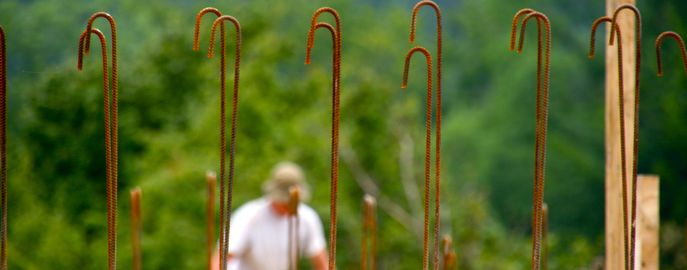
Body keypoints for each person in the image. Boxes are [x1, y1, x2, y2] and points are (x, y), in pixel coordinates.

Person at [212, 161, 329, 270]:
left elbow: (322, 262)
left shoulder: (308, 218)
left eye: (291, 203)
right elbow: (221, 258)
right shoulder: (248, 215)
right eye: (284, 203)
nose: (287, 207)